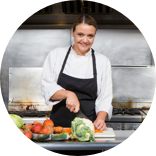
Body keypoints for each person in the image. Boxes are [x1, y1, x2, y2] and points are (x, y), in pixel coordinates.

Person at [41, 14, 113, 131]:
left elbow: (105, 96)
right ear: (72, 32)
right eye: (80, 35)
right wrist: (68, 94)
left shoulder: (102, 61)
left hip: (88, 128)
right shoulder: (56, 55)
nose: (85, 40)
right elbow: (46, 88)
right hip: (59, 128)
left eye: (90, 36)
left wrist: (100, 118)